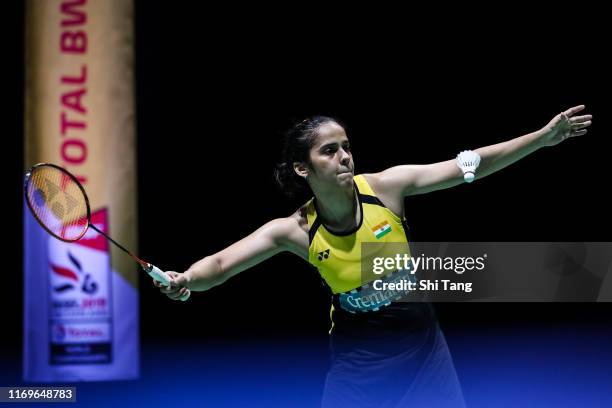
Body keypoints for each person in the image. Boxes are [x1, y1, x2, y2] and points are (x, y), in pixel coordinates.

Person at [154, 106, 592, 407]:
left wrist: (541, 138)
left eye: (345, 145)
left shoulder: (386, 188)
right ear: (303, 169)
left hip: (425, 352)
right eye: (329, 150)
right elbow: (220, 266)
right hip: (360, 365)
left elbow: (467, 166)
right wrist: (186, 279)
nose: (344, 156)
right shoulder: (295, 230)